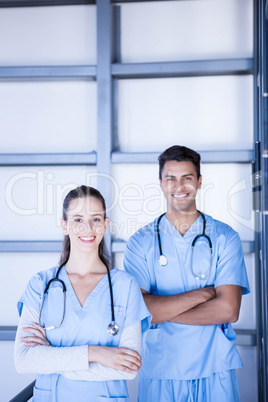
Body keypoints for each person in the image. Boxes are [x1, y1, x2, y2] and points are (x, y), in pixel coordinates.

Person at [124, 145, 250, 402]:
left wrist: (160, 311)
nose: (179, 186)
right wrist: (202, 294)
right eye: (171, 178)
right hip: (161, 373)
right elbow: (138, 311)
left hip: (215, 372)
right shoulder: (140, 242)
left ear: (200, 182)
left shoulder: (225, 237)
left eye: (187, 178)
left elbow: (228, 310)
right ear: (160, 183)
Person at [14, 185, 151, 402]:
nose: (88, 228)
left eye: (96, 219)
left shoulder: (125, 286)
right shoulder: (40, 284)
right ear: (64, 226)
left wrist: (52, 357)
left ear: (106, 225)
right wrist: (96, 353)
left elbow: (128, 368)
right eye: (77, 219)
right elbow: (24, 360)